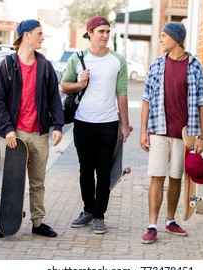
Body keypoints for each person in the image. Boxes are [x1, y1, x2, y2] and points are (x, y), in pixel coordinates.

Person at [0, 19, 64, 238]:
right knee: (12, 181)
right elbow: (0, 100)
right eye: (39, 33)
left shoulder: (45, 66)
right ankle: (7, 223)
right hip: (15, 134)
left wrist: (58, 126)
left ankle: (38, 222)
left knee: (38, 182)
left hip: (39, 133)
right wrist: (8, 128)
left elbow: (54, 99)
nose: (42, 37)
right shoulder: (7, 65)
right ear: (26, 35)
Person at [61, 16, 132, 234]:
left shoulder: (117, 60)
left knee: (103, 171)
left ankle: (99, 216)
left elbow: (122, 94)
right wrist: (80, 83)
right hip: (83, 122)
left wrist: (125, 125)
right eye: (100, 31)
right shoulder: (78, 58)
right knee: (85, 170)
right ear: (90, 33)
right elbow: (64, 86)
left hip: (108, 124)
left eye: (107, 31)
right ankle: (88, 210)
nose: (105, 35)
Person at [139, 22, 203, 244]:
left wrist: (202, 136)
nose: (160, 40)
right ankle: (151, 225)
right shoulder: (157, 65)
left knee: (176, 177)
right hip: (158, 130)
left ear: (176, 39)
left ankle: (170, 221)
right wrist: (143, 132)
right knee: (156, 176)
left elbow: (201, 104)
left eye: (163, 36)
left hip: (184, 134)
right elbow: (146, 100)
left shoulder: (195, 66)